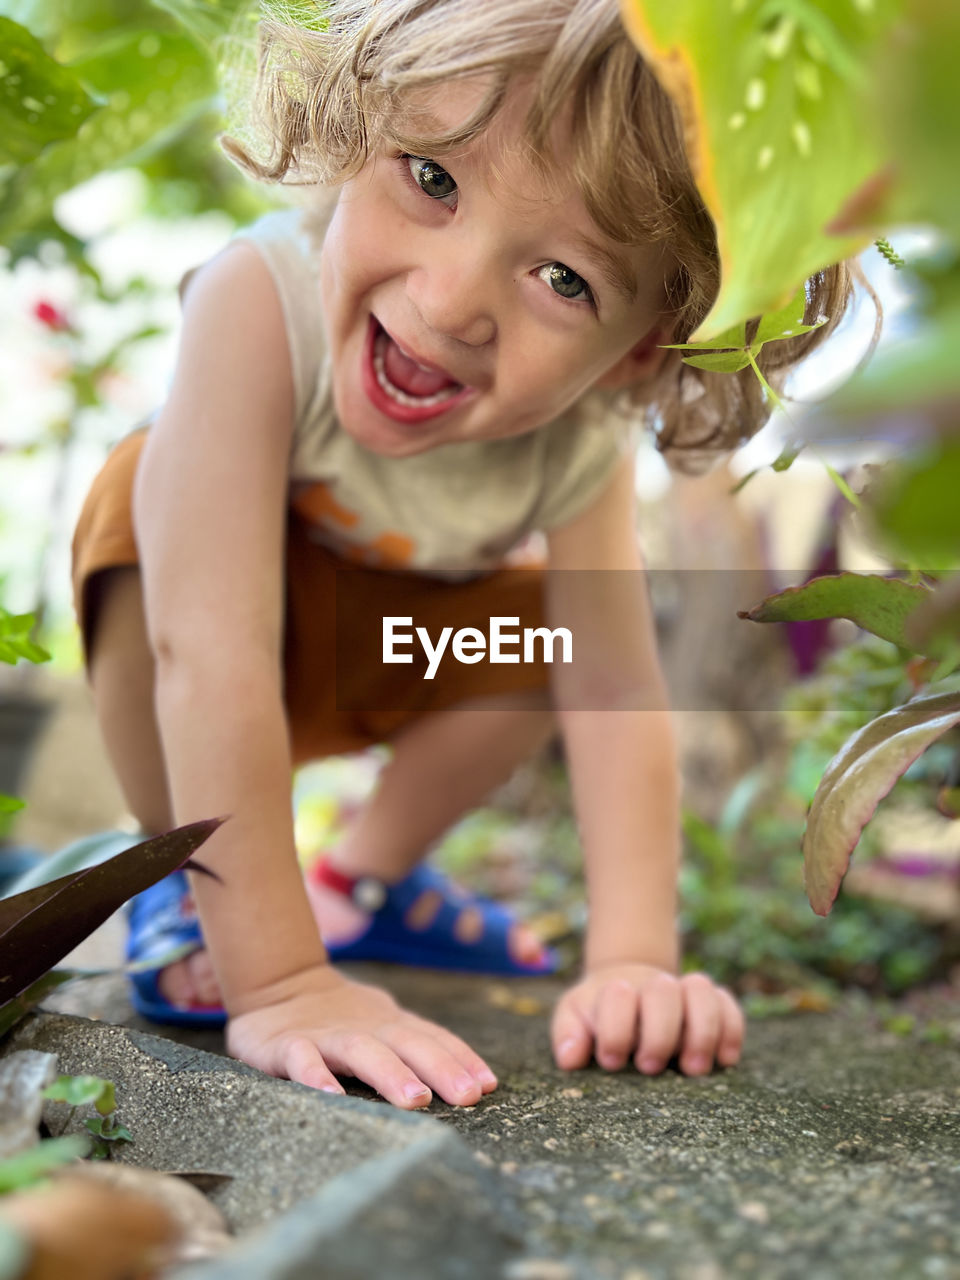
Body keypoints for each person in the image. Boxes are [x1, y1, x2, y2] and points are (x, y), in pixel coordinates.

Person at [71, 0, 854, 1109]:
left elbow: (615, 684)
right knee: (127, 504)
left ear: (635, 354)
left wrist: (634, 955)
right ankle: (184, 877)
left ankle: (362, 876)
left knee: (557, 625)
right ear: (356, 129)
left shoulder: (580, 435)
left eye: (565, 279)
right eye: (431, 177)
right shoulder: (261, 302)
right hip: (212, 650)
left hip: (388, 646)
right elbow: (209, 645)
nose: (450, 302)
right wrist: (285, 980)